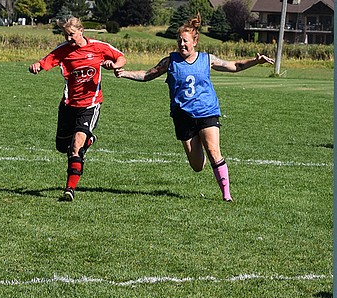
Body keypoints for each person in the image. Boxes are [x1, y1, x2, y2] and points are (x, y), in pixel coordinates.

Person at [115, 14, 272, 202]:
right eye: (179, 41)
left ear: (195, 41)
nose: (182, 44)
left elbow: (235, 65)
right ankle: (201, 150)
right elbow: (147, 75)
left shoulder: (207, 59)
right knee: (197, 166)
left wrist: (256, 61)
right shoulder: (170, 61)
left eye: (185, 41)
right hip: (182, 116)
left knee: (214, 151)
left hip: (207, 112)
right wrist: (125, 74)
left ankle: (227, 195)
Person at [29, 16, 126, 202]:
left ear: (81, 31)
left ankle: (69, 189)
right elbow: (45, 62)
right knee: (62, 146)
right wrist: (37, 66)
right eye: (65, 35)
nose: (69, 39)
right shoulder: (63, 51)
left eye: (72, 34)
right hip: (68, 105)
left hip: (90, 104)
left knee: (75, 148)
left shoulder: (98, 47)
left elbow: (121, 58)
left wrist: (113, 65)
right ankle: (88, 140)